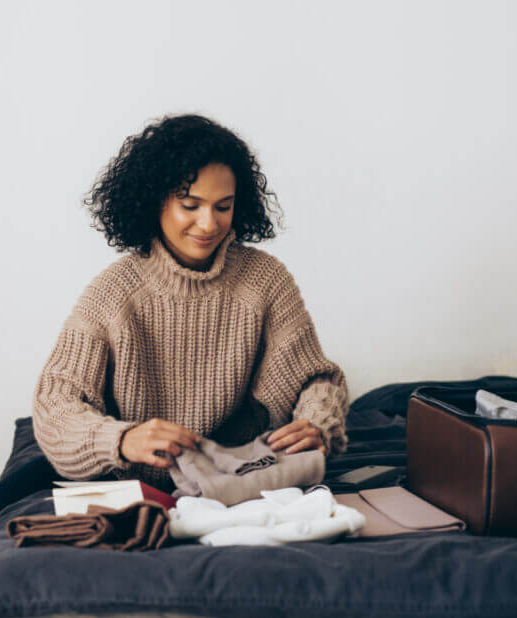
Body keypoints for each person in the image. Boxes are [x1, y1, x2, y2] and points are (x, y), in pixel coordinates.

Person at [31, 113, 348, 493]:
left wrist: (317, 422)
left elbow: (318, 380)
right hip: (144, 487)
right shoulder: (113, 293)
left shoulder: (267, 281)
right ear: (156, 201)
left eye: (223, 206)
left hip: (247, 477)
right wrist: (119, 440)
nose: (208, 223)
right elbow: (55, 405)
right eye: (190, 205)